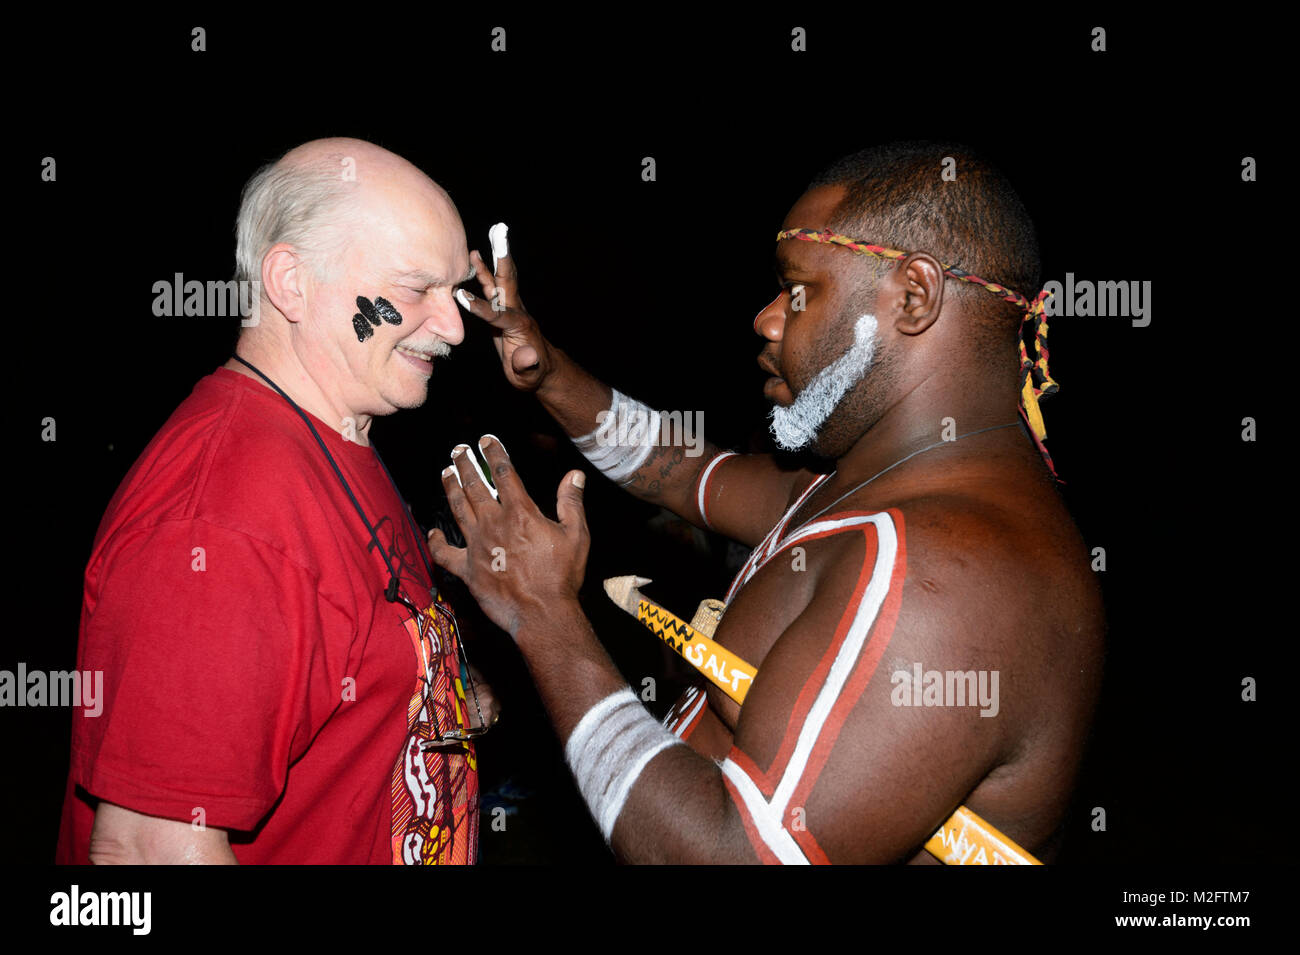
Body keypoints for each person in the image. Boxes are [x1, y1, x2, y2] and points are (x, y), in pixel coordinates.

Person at [435, 141, 1105, 863]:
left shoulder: (947, 576)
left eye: (797, 291)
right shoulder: (862, 489)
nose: (765, 318)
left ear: (913, 296)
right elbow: (672, 466)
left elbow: (732, 856)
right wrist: (546, 373)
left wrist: (545, 617)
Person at [56, 138, 495, 865]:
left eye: (454, 292)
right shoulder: (225, 517)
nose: (453, 326)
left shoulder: (334, 432)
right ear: (291, 282)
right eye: (417, 288)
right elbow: (147, 849)